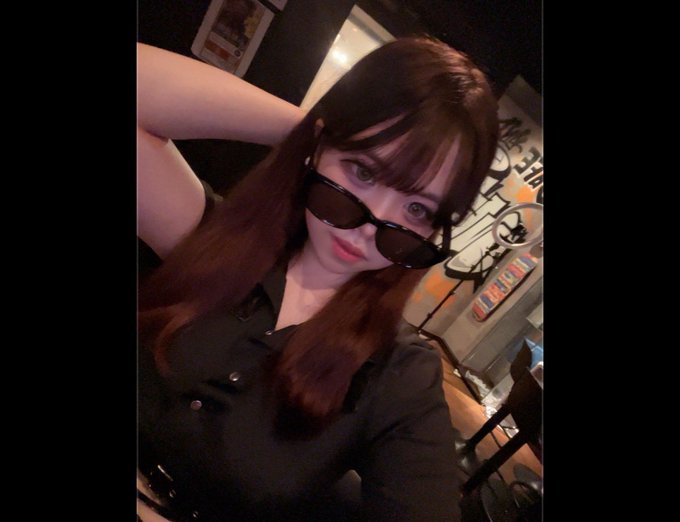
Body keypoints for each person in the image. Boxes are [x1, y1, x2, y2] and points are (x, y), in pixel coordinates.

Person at [137, 36, 498, 522]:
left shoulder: (398, 375)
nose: (371, 225)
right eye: (363, 171)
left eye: (416, 209)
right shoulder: (208, 238)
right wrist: (309, 131)